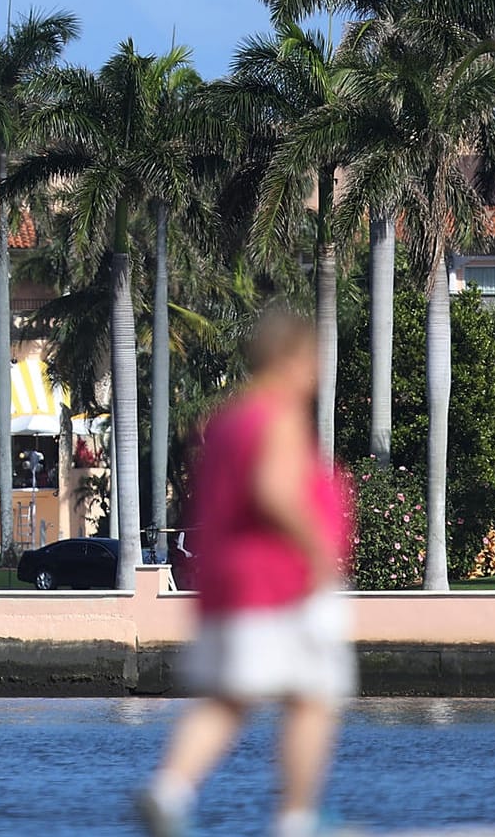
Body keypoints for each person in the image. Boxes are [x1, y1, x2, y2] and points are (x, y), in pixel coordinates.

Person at [138, 308, 353, 837]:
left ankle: (168, 791)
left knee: (230, 699)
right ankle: (298, 820)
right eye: (315, 359)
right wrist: (319, 548)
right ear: (295, 359)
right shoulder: (277, 415)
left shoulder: (228, 420)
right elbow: (274, 490)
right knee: (313, 695)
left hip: (228, 584)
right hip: (281, 583)